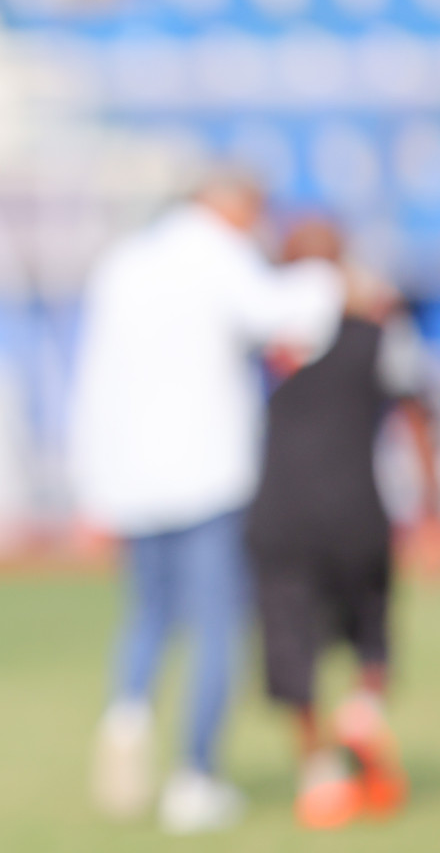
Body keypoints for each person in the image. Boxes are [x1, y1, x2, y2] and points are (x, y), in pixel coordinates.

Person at [68, 174, 345, 833]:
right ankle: (195, 776)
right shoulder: (221, 259)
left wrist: (93, 485)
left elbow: (93, 376)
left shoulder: (124, 263)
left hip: (132, 476)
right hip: (208, 473)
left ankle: (128, 710)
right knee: (217, 626)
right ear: (235, 209)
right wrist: (324, 272)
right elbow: (291, 318)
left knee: (150, 615)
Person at [245, 218, 439, 829]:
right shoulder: (379, 333)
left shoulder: (256, 339)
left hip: (277, 507)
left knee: (289, 638)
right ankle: (362, 714)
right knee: (371, 624)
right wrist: (430, 500)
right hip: (357, 503)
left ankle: (318, 775)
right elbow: (417, 413)